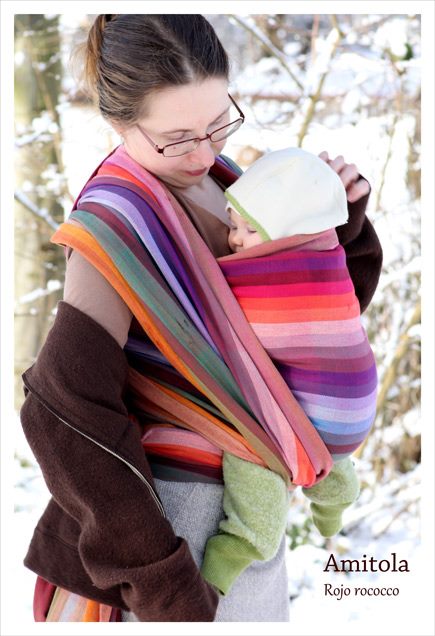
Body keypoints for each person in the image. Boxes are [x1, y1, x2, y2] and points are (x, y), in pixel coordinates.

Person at [19, 15, 382, 623]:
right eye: (178, 136)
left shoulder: (227, 181)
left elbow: (294, 350)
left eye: (218, 124)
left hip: (247, 506)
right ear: (116, 122)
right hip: (175, 537)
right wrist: (164, 581)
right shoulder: (117, 225)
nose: (205, 151)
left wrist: (339, 224)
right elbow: (63, 412)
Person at [199, 147, 377, 596]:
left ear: (286, 232)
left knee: (252, 445)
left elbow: (217, 311)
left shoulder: (268, 275)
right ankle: (335, 495)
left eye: (250, 229)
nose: (235, 240)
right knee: (325, 448)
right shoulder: (326, 254)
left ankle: (246, 538)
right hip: (353, 405)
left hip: (327, 413)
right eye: (233, 224)